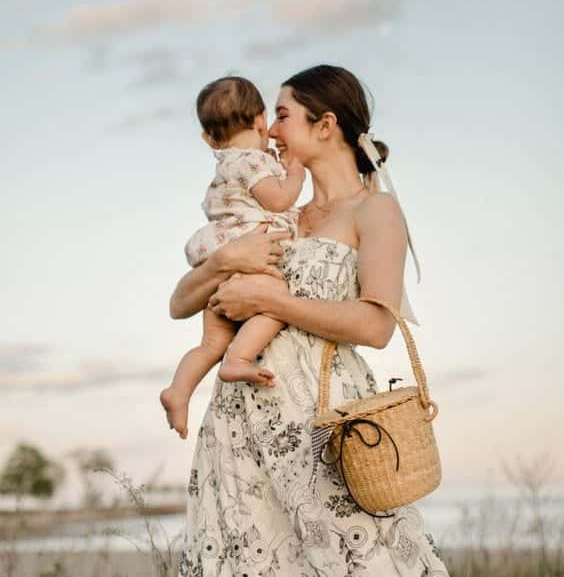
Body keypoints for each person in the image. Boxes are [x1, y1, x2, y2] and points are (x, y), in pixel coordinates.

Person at [171, 65, 450, 575]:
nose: (270, 131)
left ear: (325, 126)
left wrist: (270, 300)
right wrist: (220, 263)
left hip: (320, 427)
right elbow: (179, 303)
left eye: (281, 115)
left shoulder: (374, 210)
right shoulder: (275, 218)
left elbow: (376, 327)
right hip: (238, 425)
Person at [161, 76, 305, 439]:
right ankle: (238, 360)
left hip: (221, 273)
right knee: (276, 301)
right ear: (260, 119)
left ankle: (179, 391)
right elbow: (278, 200)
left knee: (210, 344)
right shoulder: (253, 162)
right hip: (251, 263)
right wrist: (295, 175)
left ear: (208, 138)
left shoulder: (224, 166)